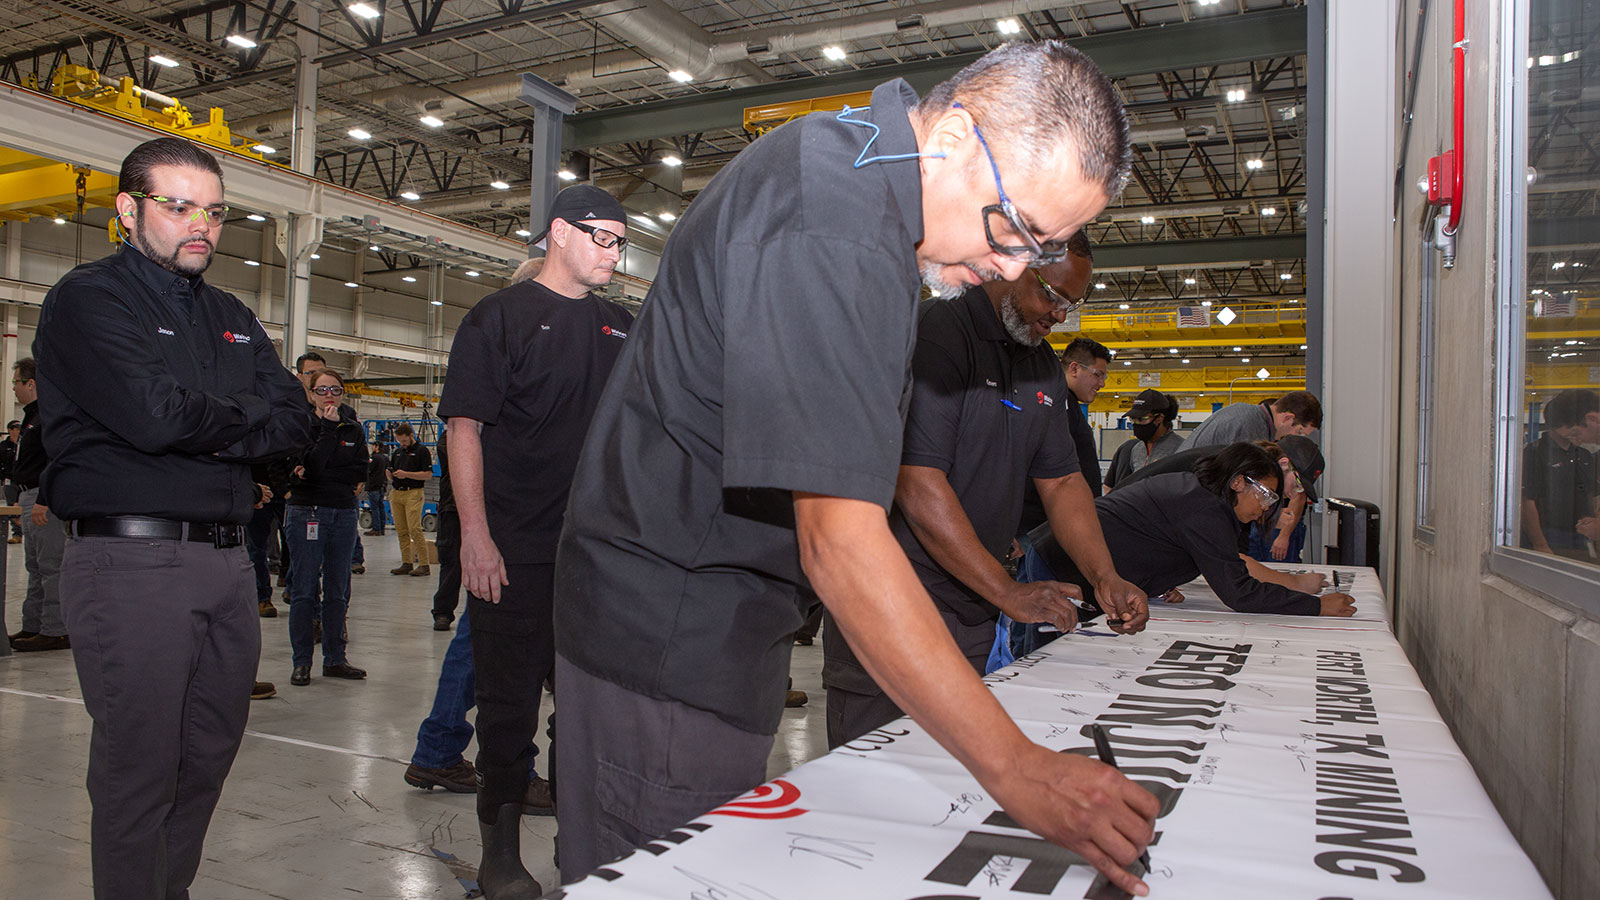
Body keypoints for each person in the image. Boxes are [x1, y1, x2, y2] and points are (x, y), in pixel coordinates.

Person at [553, 42, 1158, 897]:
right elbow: (839, 539)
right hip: (669, 623)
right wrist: (1018, 769)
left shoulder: (853, 181)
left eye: (1044, 246)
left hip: (718, 610)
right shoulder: (835, 219)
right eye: (1016, 229)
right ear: (951, 136)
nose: (1016, 268)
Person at [33, 136, 313, 898]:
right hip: (133, 563)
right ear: (129, 209)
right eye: (179, 206)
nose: (202, 226)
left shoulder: (227, 312)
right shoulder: (90, 300)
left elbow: (294, 419)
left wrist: (217, 420)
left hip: (227, 563)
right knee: (139, 769)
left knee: (205, 760)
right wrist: (240, 419)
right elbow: (156, 417)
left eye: (215, 212)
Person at [823, 246, 1147, 748]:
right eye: (1053, 295)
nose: (1059, 316)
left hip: (969, 607)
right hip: (890, 604)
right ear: (1015, 268)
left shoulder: (1041, 367)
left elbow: (1062, 482)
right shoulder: (937, 334)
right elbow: (918, 480)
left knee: (952, 772)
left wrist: (1105, 576)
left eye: (1071, 305)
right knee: (875, 781)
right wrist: (1007, 590)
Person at [443, 183, 636, 899]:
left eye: (621, 242)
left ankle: (579, 839)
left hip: (597, 554)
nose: (614, 254)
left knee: (589, 707)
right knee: (508, 706)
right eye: (604, 238)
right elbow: (464, 428)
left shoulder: (622, 326)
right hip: (515, 550)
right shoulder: (500, 318)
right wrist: (475, 537)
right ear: (560, 232)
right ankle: (499, 851)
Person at [1023, 442, 1356, 618]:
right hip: (1060, 562)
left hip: (1077, 566)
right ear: (1239, 482)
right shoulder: (1204, 506)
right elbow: (1238, 590)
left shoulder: (1210, 501)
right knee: (1034, 658)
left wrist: (1157, 581)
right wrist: (1316, 606)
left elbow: (1152, 535)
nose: (1267, 506)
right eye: (1266, 496)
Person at [285, 368, 369, 686]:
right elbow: (313, 465)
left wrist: (319, 471)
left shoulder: (354, 428)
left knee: (338, 591)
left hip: (343, 513)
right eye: (322, 390)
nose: (329, 396)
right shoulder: (301, 425)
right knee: (305, 591)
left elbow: (360, 470)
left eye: (335, 390)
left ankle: (335, 659)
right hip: (307, 511)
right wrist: (329, 432)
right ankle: (302, 662)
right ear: (311, 394)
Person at [1015, 248, 1104, 538]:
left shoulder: (1065, 404)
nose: (1101, 383)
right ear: (1074, 368)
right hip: (1042, 527)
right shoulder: (1048, 398)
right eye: (1098, 374)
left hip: (1059, 525)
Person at [1185, 390, 1322, 564]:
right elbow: (1235, 492)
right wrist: (1269, 516)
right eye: (1300, 432)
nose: (1297, 439)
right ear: (1287, 418)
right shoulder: (1252, 428)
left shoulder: (1248, 414)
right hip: (1187, 504)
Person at [9, 358, 69, 652]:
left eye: (16, 383)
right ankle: (33, 625)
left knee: (50, 566)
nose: (13, 389)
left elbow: (55, 461)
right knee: (34, 566)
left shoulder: (49, 416)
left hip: (43, 499)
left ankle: (55, 629)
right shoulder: (31, 418)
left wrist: (44, 500)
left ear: (30, 384)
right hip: (28, 496)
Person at [1522, 389, 1599, 559]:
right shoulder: (1535, 453)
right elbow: (1527, 502)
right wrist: (1540, 544)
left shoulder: (1584, 456)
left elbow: (1593, 496)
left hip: (1582, 540)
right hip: (1550, 537)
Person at [1103, 388, 1184, 490]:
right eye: (1133, 419)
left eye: (1142, 419)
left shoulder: (1180, 449)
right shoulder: (1137, 449)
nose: (1137, 424)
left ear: (1159, 418)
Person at [247, 452, 293, 617]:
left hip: (286, 490)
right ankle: (262, 596)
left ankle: (290, 582)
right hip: (258, 491)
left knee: (295, 541)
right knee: (256, 548)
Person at [387, 423, 433, 575]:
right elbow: (391, 468)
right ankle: (406, 562)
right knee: (401, 530)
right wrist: (390, 474)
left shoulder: (422, 451)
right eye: (400, 441)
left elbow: (427, 474)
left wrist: (406, 474)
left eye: (404, 441)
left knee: (415, 528)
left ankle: (424, 564)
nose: (402, 444)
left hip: (413, 493)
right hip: (396, 493)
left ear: (411, 436)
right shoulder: (398, 452)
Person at [430, 426, 461, 630]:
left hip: (490, 507)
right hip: (452, 507)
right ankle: (443, 612)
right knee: (451, 562)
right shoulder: (449, 436)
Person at [364, 440, 388, 536]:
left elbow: (368, 470)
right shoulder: (385, 458)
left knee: (374, 508)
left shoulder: (374, 458)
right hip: (382, 486)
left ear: (377, 447)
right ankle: (382, 528)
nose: (372, 448)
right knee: (380, 507)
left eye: (373, 446)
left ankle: (376, 529)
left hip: (373, 486)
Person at [1, 418, 20, 543]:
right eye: (16, 428)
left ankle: (22, 531)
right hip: (9, 480)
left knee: (22, 506)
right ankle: (17, 534)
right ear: (10, 430)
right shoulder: (3, 447)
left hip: (22, 481)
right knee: (12, 507)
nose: (19, 431)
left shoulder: (23, 445)